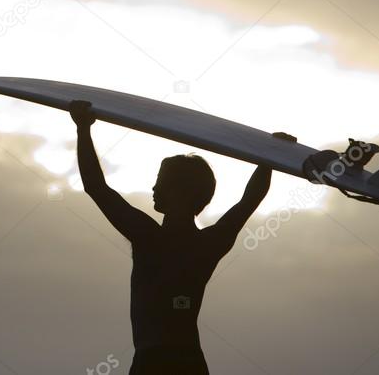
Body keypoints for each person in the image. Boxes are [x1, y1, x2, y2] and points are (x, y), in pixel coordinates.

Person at [71, 100, 271, 374]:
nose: (153, 187)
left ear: (179, 190)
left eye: (160, 180)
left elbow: (95, 186)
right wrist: (269, 158)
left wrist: (83, 129)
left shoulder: (148, 236)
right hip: (190, 364)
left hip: (152, 363)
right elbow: (248, 201)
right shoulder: (209, 243)